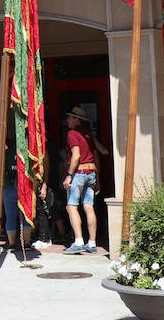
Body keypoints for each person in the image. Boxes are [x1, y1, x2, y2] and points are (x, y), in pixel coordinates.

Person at [61, 107, 99, 255]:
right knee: (88, 206)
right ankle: (92, 243)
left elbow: (76, 155)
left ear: (77, 120)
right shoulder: (88, 134)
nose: (67, 120)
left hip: (80, 172)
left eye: (70, 118)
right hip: (91, 172)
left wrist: (69, 175)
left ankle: (78, 241)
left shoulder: (72, 133)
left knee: (71, 207)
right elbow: (100, 152)